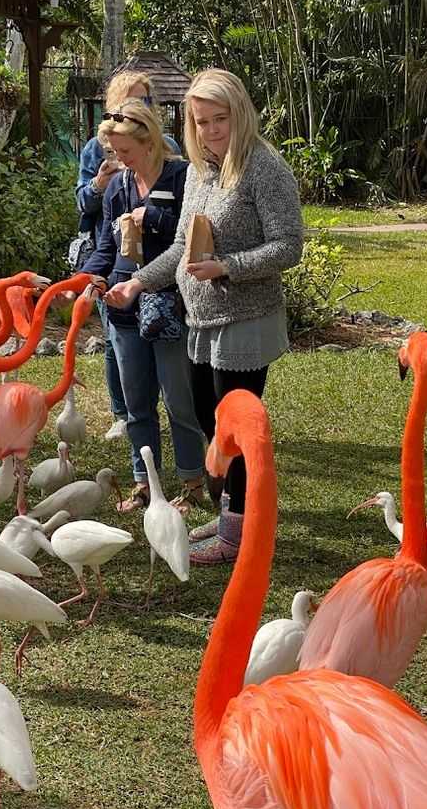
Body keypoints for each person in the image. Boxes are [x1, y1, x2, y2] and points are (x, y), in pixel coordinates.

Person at [105, 69, 304, 565]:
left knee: (234, 431)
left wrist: (228, 267)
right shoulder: (199, 169)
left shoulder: (264, 167)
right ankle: (231, 514)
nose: (212, 131)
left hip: (245, 319)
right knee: (209, 423)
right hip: (201, 320)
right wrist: (139, 281)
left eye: (221, 120)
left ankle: (238, 537)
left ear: (240, 114)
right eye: (201, 122)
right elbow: (178, 246)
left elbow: (288, 246)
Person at [78, 98, 206, 513]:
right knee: (136, 404)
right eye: (114, 152)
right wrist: (92, 278)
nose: (118, 159)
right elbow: (105, 246)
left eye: (125, 151)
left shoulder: (183, 177)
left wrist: (150, 217)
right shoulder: (118, 184)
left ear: (149, 140)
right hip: (122, 305)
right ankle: (145, 484)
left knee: (179, 400)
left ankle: (192, 483)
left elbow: (191, 238)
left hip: (168, 302)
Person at [75, 72, 180, 442]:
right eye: (130, 102)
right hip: (111, 254)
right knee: (118, 337)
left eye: (146, 102)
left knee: (165, 350)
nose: (139, 108)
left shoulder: (169, 149)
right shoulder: (97, 148)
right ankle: (124, 413)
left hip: (160, 263)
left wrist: (150, 213)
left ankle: (180, 431)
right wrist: (101, 184)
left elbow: (183, 213)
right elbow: (84, 204)